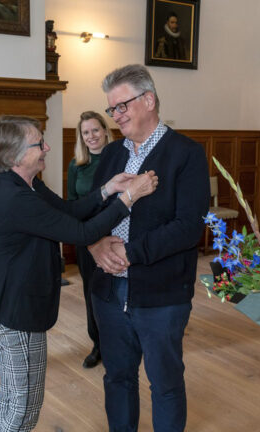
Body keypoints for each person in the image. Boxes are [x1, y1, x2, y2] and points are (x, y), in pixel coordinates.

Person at [0, 115, 157, 432]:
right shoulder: (15, 198)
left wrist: (107, 189)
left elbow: (68, 211)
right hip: (16, 308)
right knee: (24, 404)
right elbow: (81, 231)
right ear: (15, 156)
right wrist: (129, 198)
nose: (47, 147)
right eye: (38, 143)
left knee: (12, 394)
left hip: (5, 299)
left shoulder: (26, 184)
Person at [88, 64, 209, 431]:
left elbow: (188, 228)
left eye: (121, 106)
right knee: (117, 378)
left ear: (149, 100)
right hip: (108, 292)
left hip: (162, 293)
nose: (116, 116)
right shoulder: (110, 155)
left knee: (165, 384)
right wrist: (94, 245)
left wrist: (130, 252)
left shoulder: (186, 154)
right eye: (112, 109)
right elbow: (90, 210)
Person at [66, 110, 114, 369]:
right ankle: (97, 344)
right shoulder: (76, 165)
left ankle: (118, 341)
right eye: (86, 132)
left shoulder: (119, 158)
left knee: (116, 289)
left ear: (105, 130)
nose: (91, 136)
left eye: (95, 130)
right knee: (91, 292)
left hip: (116, 235)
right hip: (87, 238)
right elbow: (72, 203)